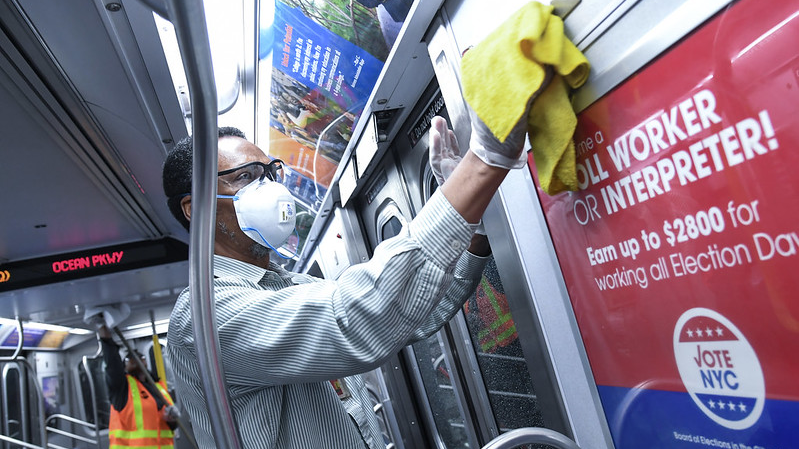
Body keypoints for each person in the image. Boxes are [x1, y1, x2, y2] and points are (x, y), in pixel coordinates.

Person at [161, 105, 529, 448]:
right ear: (197, 209)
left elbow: (408, 313)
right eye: (246, 177)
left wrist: (474, 232)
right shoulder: (204, 317)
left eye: (271, 174)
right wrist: (479, 168)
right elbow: (354, 321)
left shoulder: (290, 286)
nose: (271, 189)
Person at [98, 325, 178, 449]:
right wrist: (105, 335)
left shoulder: (159, 387)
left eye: (141, 357)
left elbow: (169, 426)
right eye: (129, 359)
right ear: (125, 366)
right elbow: (112, 365)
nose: (136, 360)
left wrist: (172, 419)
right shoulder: (122, 389)